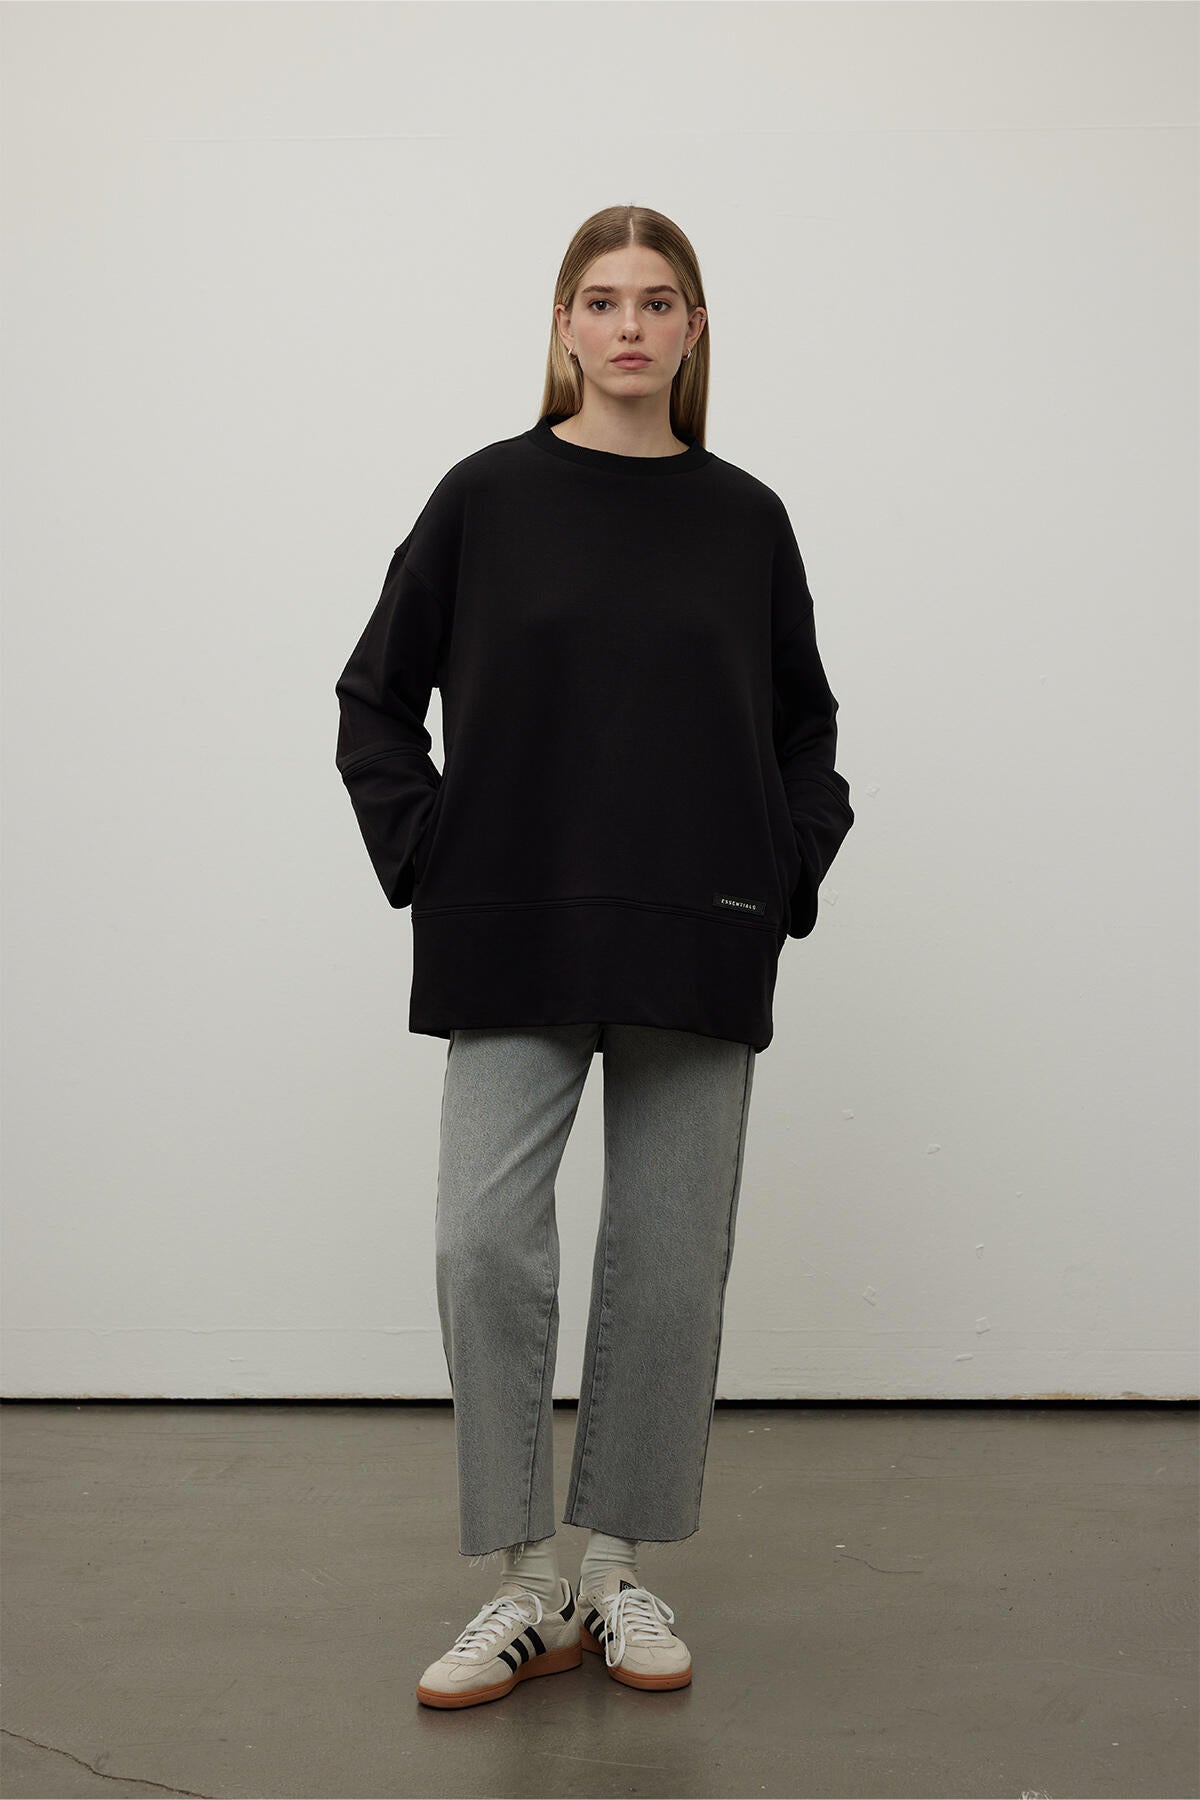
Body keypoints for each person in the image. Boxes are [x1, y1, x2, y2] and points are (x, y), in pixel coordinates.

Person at [334, 204, 854, 1710]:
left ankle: (617, 1568)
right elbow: (376, 700)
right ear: (563, 324)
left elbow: (805, 726)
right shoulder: (484, 497)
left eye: (660, 300)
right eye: (605, 298)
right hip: (512, 920)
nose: (631, 324)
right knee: (481, 1243)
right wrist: (431, 853)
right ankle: (526, 1582)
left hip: (702, 926)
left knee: (670, 1262)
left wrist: (787, 866)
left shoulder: (745, 518)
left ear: (693, 331)